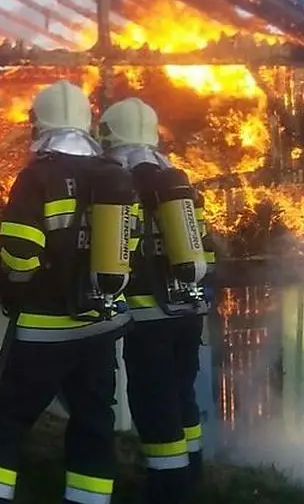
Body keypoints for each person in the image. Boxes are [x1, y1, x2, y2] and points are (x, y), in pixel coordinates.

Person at [0, 80, 137, 504]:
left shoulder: (36, 177)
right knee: (94, 425)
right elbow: (125, 247)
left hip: (44, 331)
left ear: (38, 126)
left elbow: (20, 253)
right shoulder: (115, 177)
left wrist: (18, 285)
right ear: (87, 125)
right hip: (99, 328)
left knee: (5, 421)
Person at [97, 97, 216, 504]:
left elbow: (114, 250)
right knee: (183, 391)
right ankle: (192, 468)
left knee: (153, 399)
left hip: (148, 317)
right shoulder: (178, 183)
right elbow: (206, 247)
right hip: (189, 308)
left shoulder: (120, 183)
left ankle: (167, 488)